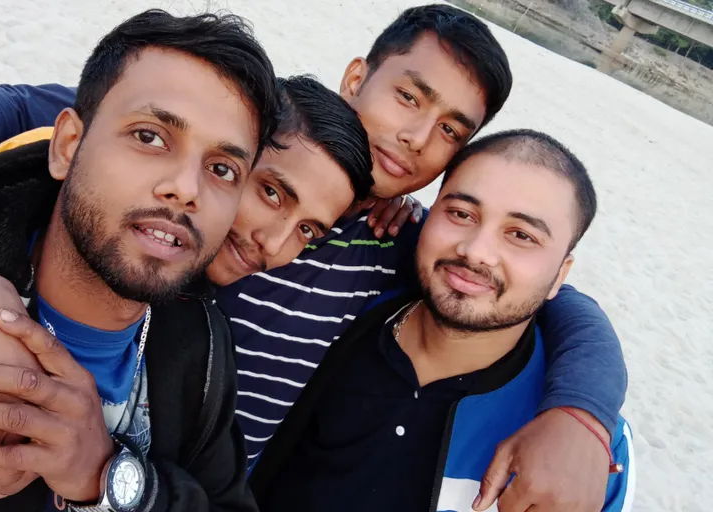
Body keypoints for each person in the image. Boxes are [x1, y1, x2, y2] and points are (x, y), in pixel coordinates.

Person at [0, 5, 628, 511]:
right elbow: (29, 112)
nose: (416, 134)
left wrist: (585, 414)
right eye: (408, 96)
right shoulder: (215, 144)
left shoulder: (410, 244)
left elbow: (540, 293)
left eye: (451, 128)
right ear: (357, 78)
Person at [0, 9, 285, 512]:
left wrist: (108, 477)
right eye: (149, 137)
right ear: (66, 146)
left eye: (221, 168)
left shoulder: (202, 349)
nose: (187, 189)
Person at [252, 129, 636, 512]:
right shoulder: (338, 314)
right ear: (425, 214)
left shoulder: (585, 448)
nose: (476, 251)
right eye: (461, 214)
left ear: (560, 275)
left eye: (521, 235)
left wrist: (581, 417)